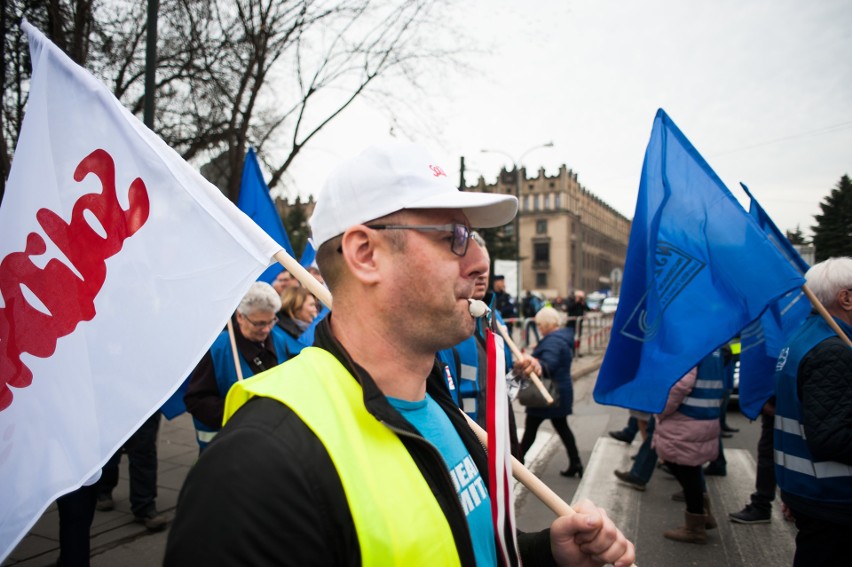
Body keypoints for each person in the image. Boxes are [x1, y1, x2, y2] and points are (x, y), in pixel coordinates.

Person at [165, 142, 634, 567]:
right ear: (366, 253)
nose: (478, 264)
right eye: (454, 236)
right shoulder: (258, 467)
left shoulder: (439, 404)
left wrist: (544, 554)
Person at [773, 257, 852, 567]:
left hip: (811, 492)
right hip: (834, 499)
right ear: (846, 297)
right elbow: (832, 438)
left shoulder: (807, 337)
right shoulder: (833, 351)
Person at [183, 282, 292, 451]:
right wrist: (240, 411)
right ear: (240, 317)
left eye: (271, 321)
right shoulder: (218, 348)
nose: (266, 329)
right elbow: (196, 400)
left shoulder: (279, 340)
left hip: (272, 443)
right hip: (227, 448)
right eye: (259, 323)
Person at [654, 349, 725, 545]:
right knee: (688, 468)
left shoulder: (693, 343)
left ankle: (695, 526)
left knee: (685, 468)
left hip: (686, 417)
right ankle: (703, 513)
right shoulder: (714, 343)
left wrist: (659, 409)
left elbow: (680, 385)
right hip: (705, 414)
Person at [519, 306, 583, 478]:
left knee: (530, 429)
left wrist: (534, 361)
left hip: (548, 394)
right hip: (560, 392)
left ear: (547, 324)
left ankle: (516, 464)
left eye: (540, 325)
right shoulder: (560, 337)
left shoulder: (552, 341)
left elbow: (548, 365)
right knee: (561, 427)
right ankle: (575, 462)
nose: (539, 328)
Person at [95, 412, 168, 531]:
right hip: (112, 400)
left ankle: (144, 506)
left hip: (144, 401)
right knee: (109, 445)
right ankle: (103, 490)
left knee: (144, 449)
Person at [729, 398, 776, 524]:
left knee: (769, 455)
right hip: (782, 401)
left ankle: (762, 506)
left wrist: (767, 400)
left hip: (779, 403)